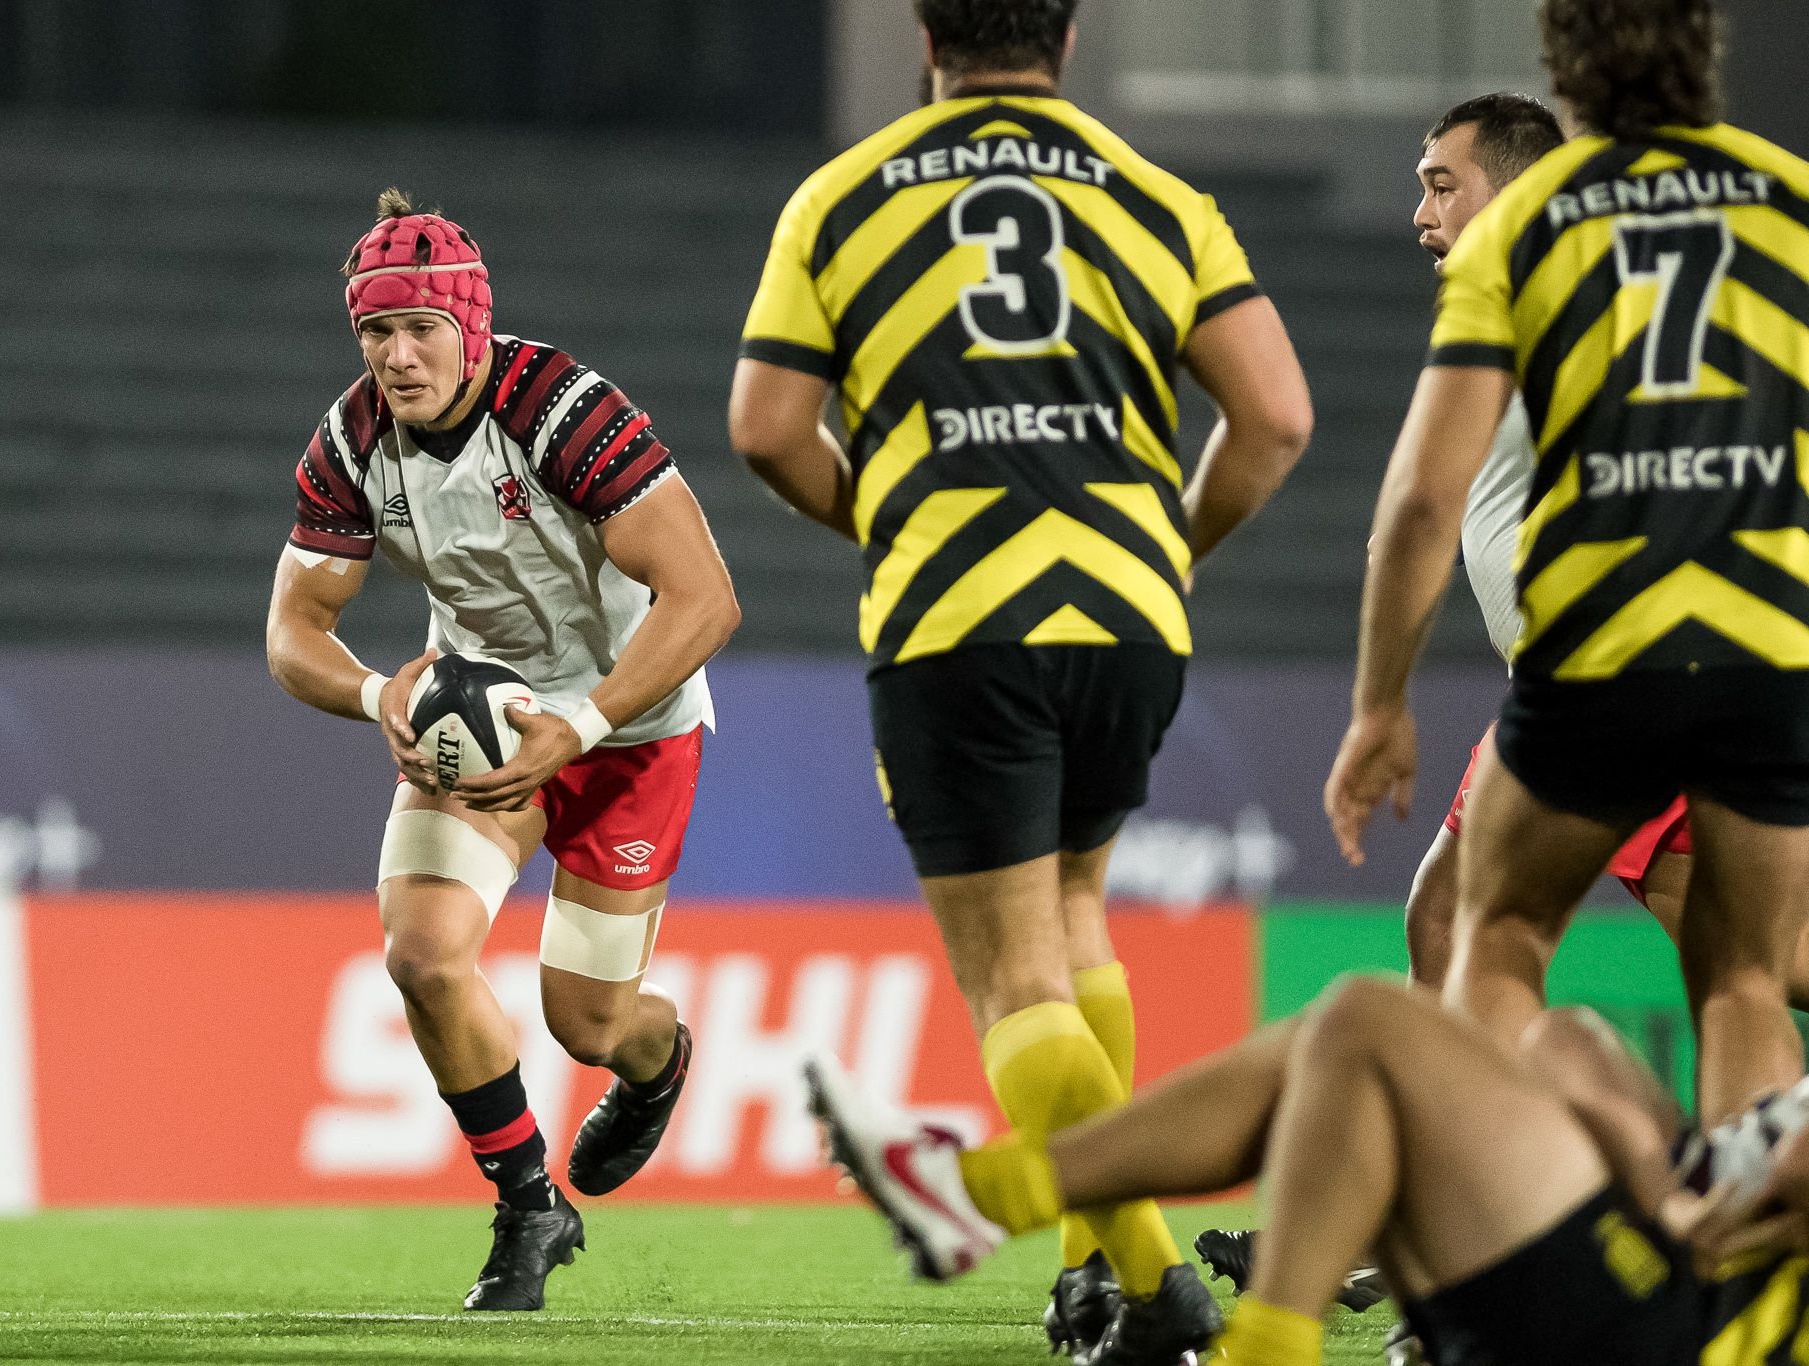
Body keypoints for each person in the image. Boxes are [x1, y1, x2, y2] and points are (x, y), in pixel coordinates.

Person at [729, 1, 1311, 1359]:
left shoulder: (844, 196)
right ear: (1067, 32)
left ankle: (1158, 1289)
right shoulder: (1161, 198)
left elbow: (766, 426)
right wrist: (1165, 542)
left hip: (959, 617)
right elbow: (1276, 414)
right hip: (1127, 616)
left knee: (1012, 981)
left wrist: (892, 518)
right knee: (1077, 915)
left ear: (927, 33)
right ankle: (1088, 1274)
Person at [1326, 0, 1809, 1129]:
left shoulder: (1531, 227)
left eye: (1439, 185)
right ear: (1705, 54)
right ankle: (1736, 1261)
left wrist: (1377, 704)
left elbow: (1415, 499)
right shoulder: (1786, 198)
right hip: (1752, 644)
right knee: (1740, 973)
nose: (1423, 215)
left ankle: (1491, 1243)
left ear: (1563, 76)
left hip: (1596, 649)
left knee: (1491, 936)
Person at [266, 190, 739, 1311]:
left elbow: (706, 597)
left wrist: (577, 724)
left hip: (629, 730)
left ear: (471, 326)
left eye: (419, 327)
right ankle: (528, 1203)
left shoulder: (564, 410)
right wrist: (380, 691)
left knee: (588, 1023)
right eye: (375, 331)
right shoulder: (350, 443)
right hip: (476, 721)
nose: (395, 354)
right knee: (423, 955)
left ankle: (656, 1058)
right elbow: (292, 630)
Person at [807, 974, 1809, 1366]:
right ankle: (979, 1193)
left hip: (1693, 1327)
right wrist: (1653, 1169)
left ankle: (985, 1197)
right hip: (1661, 1260)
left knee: (1365, 1029)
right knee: (1338, 1052)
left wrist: (1678, 1194)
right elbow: (1564, 1043)